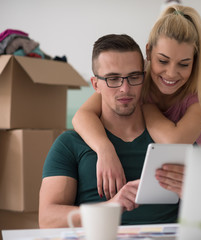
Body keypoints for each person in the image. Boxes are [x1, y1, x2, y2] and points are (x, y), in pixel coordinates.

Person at [72, 4, 201, 200]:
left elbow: (175, 141)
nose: (171, 73)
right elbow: (82, 116)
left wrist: (147, 108)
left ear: (194, 62)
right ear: (148, 52)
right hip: (172, 171)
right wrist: (105, 150)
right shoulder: (135, 79)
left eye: (184, 64)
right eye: (163, 61)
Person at [39, 34, 183, 228]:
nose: (125, 88)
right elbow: (47, 219)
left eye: (133, 77)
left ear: (144, 78)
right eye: (113, 79)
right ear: (95, 84)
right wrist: (108, 208)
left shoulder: (176, 140)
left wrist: (194, 193)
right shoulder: (70, 144)